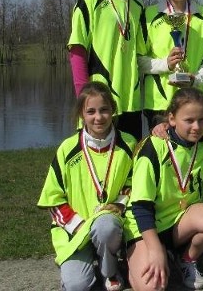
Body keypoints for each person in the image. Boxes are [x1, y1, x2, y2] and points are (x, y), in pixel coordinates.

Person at [123, 88, 203, 291]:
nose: (197, 127)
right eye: (188, 120)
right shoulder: (153, 147)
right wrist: (154, 250)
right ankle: (141, 255)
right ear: (171, 119)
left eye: (202, 120)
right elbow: (140, 207)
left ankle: (185, 258)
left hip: (181, 221)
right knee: (152, 287)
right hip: (146, 226)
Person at [38, 82, 137, 291]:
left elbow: (133, 184)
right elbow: (53, 198)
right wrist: (78, 226)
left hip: (109, 226)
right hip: (75, 232)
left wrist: (119, 205)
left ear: (113, 110)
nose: (98, 117)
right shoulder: (67, 149)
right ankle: (85, 264)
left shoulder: (128, 144)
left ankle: (109, 271)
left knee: (105, 227)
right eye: (90, 111)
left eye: (104, 110)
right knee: (77, 286)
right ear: (81, 114)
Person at [68, 0, 146, 141]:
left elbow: (141, 58)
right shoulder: (90, 0)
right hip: (98, 104)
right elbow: (77, 52)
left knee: (128, 167)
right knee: (97, 168)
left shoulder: (137, 7)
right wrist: (84, 101)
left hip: (131, 104)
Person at [139, 0, 203, 130]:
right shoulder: (148, 15)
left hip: (195, 101)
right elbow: (138, 60)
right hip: (159, 104)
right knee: (163, 155)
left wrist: (195, 80)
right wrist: (165, 64)